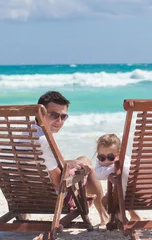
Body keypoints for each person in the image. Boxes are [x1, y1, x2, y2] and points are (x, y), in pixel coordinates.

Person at [34, 91, 108, 225]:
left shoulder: (20, 135)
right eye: (54, 115)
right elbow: (58, 183)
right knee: (86, 163)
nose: (59, 121)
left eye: (63, 116)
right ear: (40, 112)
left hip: (24, 196)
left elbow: (39, 164)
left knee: (80, 160)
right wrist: (72, 168)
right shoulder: (45, 141)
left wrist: (67, 163)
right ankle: (104, 216)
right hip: (54, 198)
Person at [93, 133, 141, 222]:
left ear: (119, 154)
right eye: (102, 157)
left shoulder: (126, 162)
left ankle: (124, 216)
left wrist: (114, 167)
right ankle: (122, 216)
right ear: (98, 155)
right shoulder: (101, 161)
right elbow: (98, 175)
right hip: (127, 195)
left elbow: (100, 174)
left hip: (135, 196)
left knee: (106, 200)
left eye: (111, 157)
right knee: (107, 198)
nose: (106, 161)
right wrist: (113, 167)